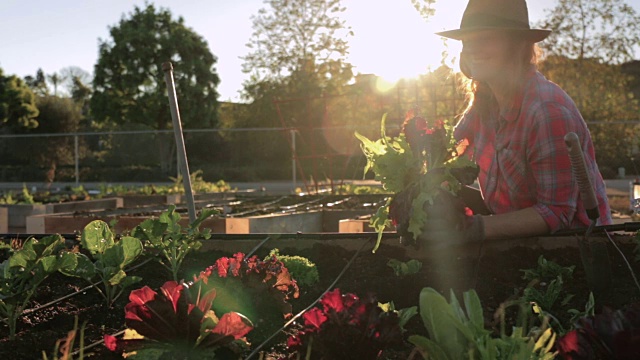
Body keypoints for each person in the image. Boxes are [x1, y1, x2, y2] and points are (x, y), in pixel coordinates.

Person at [425, 0, 612, 243]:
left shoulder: (547, 111)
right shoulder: (486, 100)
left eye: (486, 38)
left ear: (518, 45)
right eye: (468, 40)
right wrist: (422, 179)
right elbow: (448, 150)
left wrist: (473, 228)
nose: (472, 49)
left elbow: (558, 213)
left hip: (574, 246)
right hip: (518, 239)